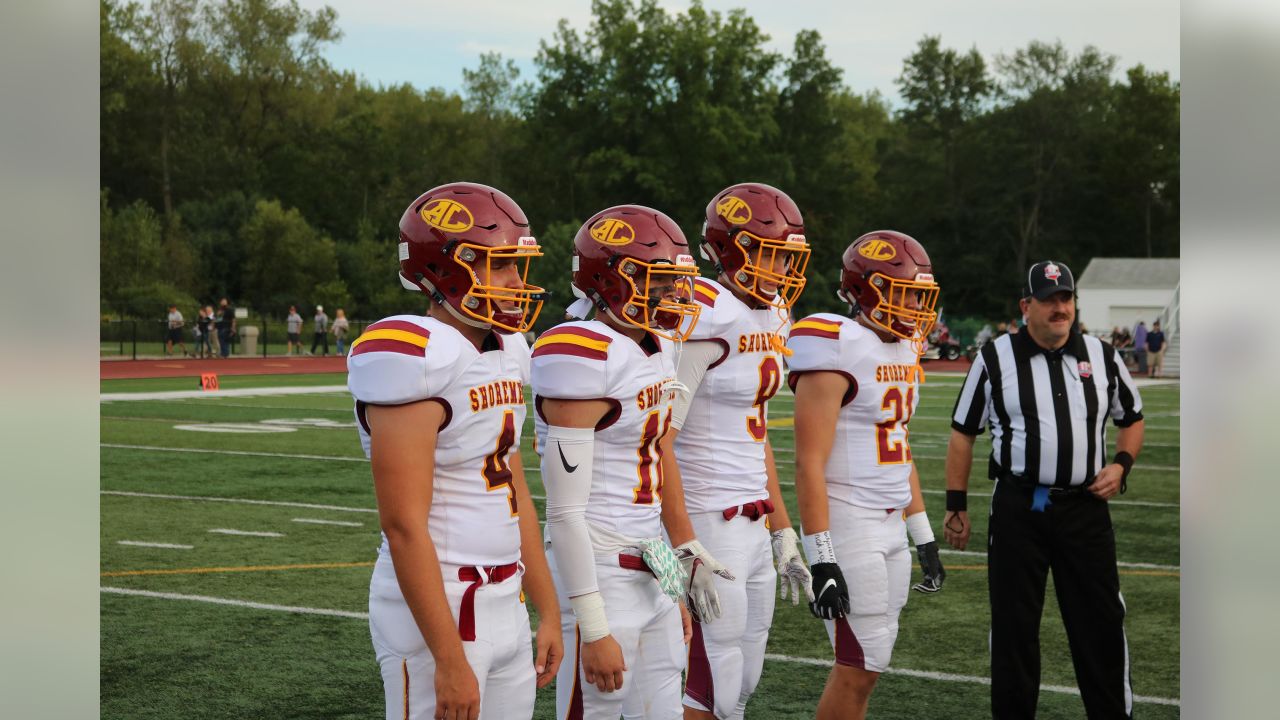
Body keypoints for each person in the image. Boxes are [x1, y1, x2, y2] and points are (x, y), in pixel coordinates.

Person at [348, 182, 561, 720]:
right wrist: (447, 657)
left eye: (518, 264)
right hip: (441, 603)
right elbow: (402, 524)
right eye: (499, 266)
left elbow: (515, 490)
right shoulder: (416, 355)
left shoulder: (509, 348)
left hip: (505, 593)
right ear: (445, 270)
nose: (517, 282)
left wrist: (549, 608)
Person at [533, 204, 725, 720]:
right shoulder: (581, 352)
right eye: (660, 283)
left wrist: (679, 561)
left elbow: (658, 454)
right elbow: (565, 512)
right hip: (597, 569)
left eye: (676, 282)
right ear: (611, 281)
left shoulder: (657, 345)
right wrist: (593, 625)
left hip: (649, 564)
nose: (675, 296)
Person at [944, 260, 1145, 719]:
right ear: (1025, 306)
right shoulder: (994, 357)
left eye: (1066, 298)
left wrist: (1121, 464)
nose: (1060, 307)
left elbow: (1131, 419)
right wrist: (957, 503)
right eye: (1049, 299)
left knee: (1101, 626)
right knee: (1014, 631)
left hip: (1086, 509)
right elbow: (963, 432)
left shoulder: (1102, 354)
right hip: (1018, 508)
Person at [667, 183, 815, 720]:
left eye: (786, 257)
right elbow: (658, 438)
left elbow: (758, 430)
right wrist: (682, 543)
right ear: (730, 249)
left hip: (753, 516)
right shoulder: (705, 310)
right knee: (711, 681)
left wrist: (782, 527)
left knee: (744, 680)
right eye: (769, 254)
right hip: (707, 516)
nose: (779, 270)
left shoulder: (774, 316)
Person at [787, 230, 947, 720]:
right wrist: (822, 558)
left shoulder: (904, 348)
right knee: (858, 665)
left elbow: (900, 446)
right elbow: (808, 461)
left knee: (871, 664)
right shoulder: (836, 344)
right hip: (849, 521)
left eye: (920, 293)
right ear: (867, 289)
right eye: (905, 292)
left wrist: (923, 536)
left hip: (891, 520)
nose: (916, 304)